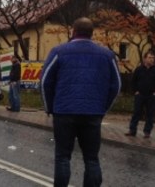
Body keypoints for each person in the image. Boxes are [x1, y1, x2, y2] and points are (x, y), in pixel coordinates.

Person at [41, 17, 121, 187]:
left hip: (64, 111)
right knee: (92, 158)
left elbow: (45, 81)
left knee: (63, 156)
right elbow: (116, 85)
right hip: (93, 113)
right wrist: (103, 108)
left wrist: (49, 107)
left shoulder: (59, 52)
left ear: (73, 31)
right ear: (92, 33)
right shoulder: (107, 55)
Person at [125, 51, 155, 138]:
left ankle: (147, 132)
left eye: (153, 58)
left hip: (151, 96)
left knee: (150, 114)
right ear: (145, 59)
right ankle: (132, 130)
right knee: (136, 113)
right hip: (140, 95)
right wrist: (135, 91)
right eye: (149, 57)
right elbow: (133, 81)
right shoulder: (139, 69)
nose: (151, 60)